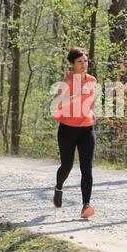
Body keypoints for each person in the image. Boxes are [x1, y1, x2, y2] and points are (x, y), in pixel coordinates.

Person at [52, 47, 97, 219]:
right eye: (79, 62)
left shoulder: (92, 80)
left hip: (87, 129)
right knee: (67, 166)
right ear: (72, 64)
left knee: (87, 168)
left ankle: (86, 205)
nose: (84, 64)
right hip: (67, 129)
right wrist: (76, 96)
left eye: (85, 61)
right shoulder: (67, 81)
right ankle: (58, 187)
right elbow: (57, 104)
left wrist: (92, 112)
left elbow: (91, 102)